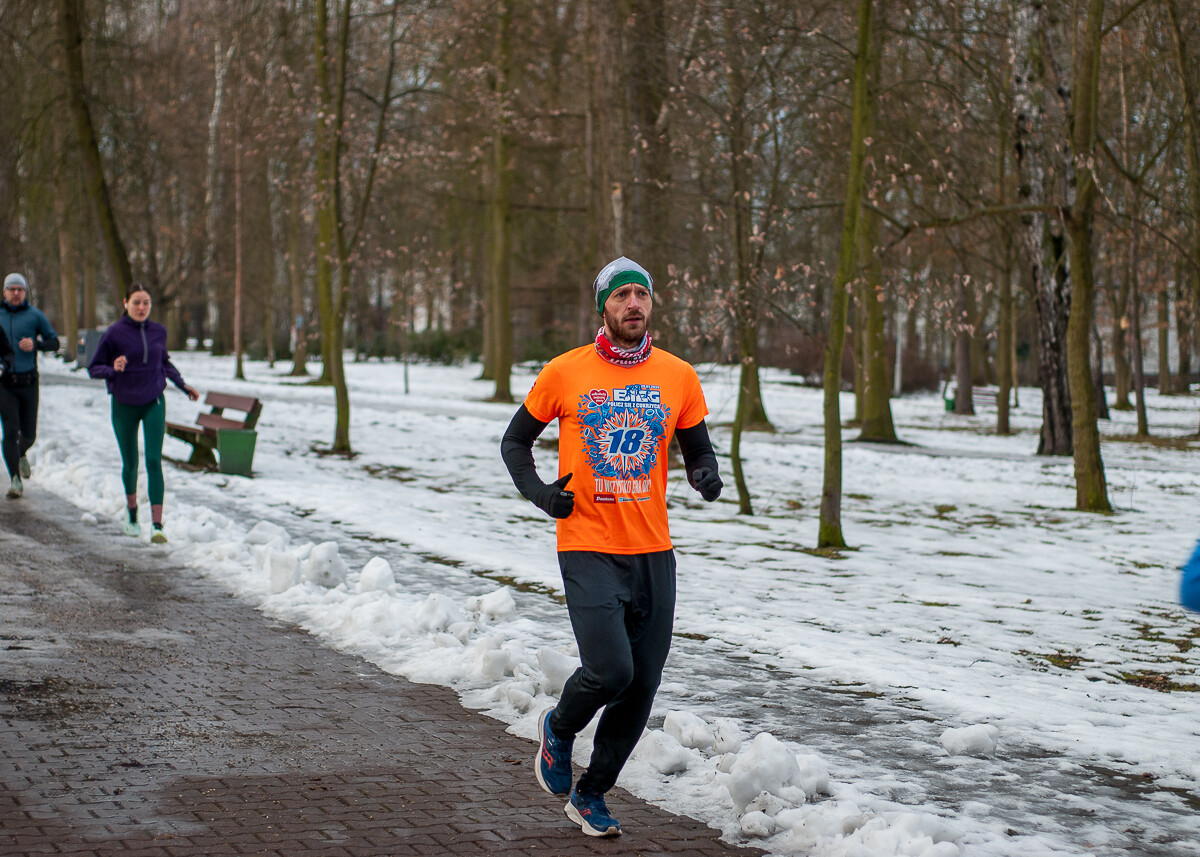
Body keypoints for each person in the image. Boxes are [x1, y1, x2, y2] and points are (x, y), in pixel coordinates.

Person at [501, 256, 723, 837]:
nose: (633, 304)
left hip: (653, 551)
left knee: (643, 684)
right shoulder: (565, 372)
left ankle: (592, 793)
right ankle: (559, 726)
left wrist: (704, 474)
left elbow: (698, 447)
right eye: (621, 295)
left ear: (651, 305)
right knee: (610, 670)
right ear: (603, 307)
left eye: (641, 295)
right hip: (588, 545)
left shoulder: (678, 376)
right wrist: (544, 496)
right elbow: (515, 442)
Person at [88, 283, 199, 543]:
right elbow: (94, 368)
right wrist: (112, 368)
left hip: (153, 401)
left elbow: (164, 362)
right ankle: (132, 513)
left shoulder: (158, 331)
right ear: (125, 303)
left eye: (146, 303)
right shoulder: (114, 333)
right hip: (124, 403)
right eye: (136, 302)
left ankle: (158, 525)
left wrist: (183, 386)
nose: (141, 307)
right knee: (131, 463)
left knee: (152, 460)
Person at [1, 272, 60, 499]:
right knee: (10, 432)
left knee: (29, 434)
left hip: (28, 382)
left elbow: (54, 342)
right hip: (4, 383)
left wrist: (36, 344)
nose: (16, 293)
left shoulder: (35, 316)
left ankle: (22, 452)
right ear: (5, 292)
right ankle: (15, 479)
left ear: (25, 292)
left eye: (20, 289)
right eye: (12, 289)